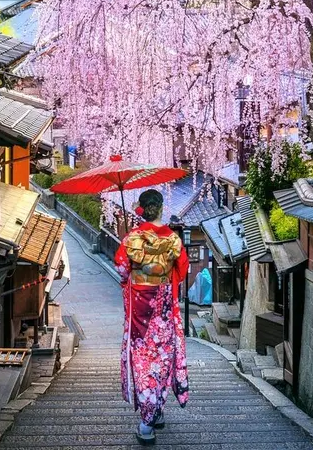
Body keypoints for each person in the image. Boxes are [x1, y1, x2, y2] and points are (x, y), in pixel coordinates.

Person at [114, 189, 189, 445]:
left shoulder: (131, 238)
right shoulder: (174, 239)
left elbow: (123, 269)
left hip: (140, 304)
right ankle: (156, 410)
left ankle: (146, 423)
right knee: (163, 355)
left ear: (142, 209)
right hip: (164, 303)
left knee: (144, 358)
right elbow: (182, 269)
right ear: (161, 208)